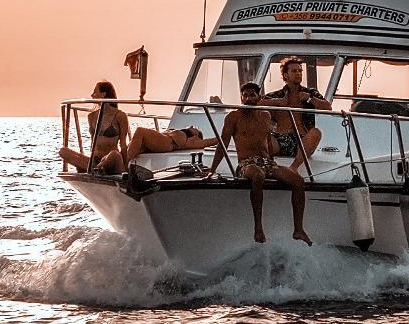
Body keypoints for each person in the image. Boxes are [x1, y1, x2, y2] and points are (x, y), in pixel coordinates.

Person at [207, 82, 311, 245]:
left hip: (267, 162)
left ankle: (299, 229)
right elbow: (223, 144)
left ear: (259, 97)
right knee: (258, 175)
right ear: (241, 98)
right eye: (245, 95)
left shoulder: (265, 116)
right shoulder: (233, 117)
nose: (248, 98)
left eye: (252, 95)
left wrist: (273, 162)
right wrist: (212, 170)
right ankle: (258, 228)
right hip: (247, 164)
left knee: (298, 181)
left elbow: (268, 141)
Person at [264, 56, 330, 171]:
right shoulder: (276, 95)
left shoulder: (310, 93)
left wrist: (310, 99)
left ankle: (293, 168)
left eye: (300, 71)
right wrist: (277, 102)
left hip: (302, 139)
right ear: (285, 75)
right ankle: (269, 166)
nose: (298, 73)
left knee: (315, 133)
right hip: (280, 139)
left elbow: (328, 106)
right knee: (264, 136)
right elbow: (256, 104)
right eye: (294, 71)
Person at [58, 81, 130, 175]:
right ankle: (95, 169)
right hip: (95, 161)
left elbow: (123, 144)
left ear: (104, 94)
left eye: (95, 92)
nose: (92, 95)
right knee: (63, 151)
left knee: (114, 154)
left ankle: (96, 169)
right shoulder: (92, 116)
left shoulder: (120, 116)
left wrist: (126, 167)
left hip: (112, 161)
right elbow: (93, 143)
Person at [125, 124, 214, 160]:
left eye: (195, 128)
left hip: (166, 142)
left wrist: (225, 136)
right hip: (162, 140)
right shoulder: (180, 133)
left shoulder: (192, 140)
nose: (192, 126)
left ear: (196, 136)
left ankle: (126, 162)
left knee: (140, 131)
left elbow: (207, 142)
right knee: (134, 144)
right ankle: (120, 163)